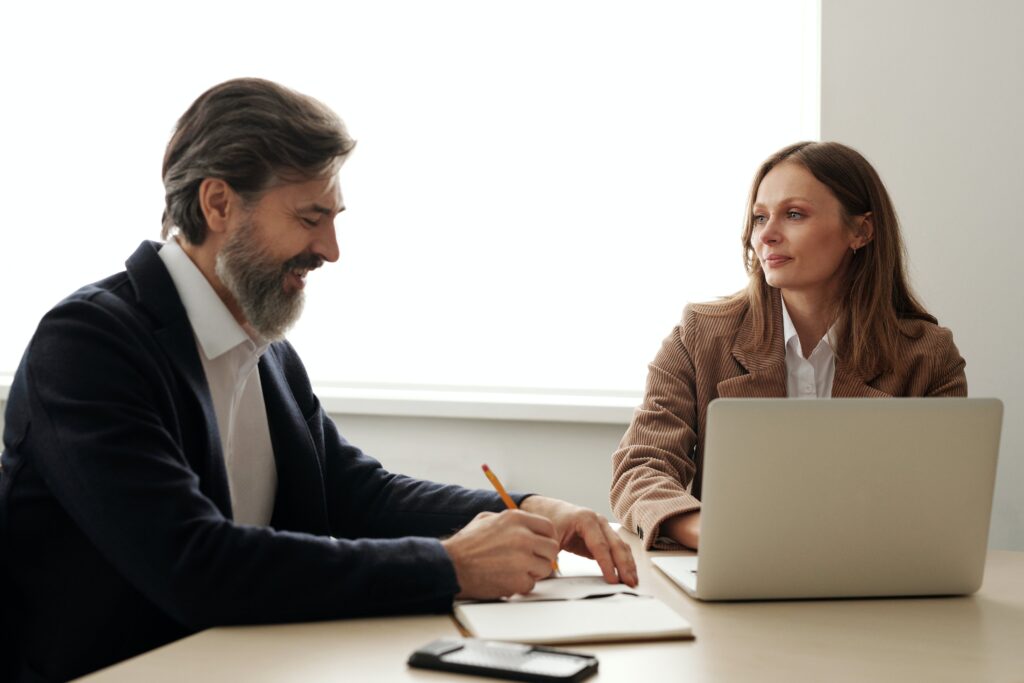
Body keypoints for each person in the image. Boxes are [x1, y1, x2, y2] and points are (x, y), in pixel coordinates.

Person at [0, 78, 636, 682]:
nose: (332, 249)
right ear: (218, 203)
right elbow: (194, 564)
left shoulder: (262, 347)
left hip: (244, 663)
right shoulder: (88, 345)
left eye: (333, 217)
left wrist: (523, 509)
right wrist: (449, 566)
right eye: (309, 218)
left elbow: (355, 492)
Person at [610, 141, 967, 551]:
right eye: (760, 218)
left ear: (862, 231)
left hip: (872, 577)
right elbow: (640, 467)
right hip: (738, 570)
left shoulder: (928, 356)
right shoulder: (700, 335)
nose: (767, 235)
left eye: (794, 214)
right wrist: (712, 531)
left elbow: (946, 504)